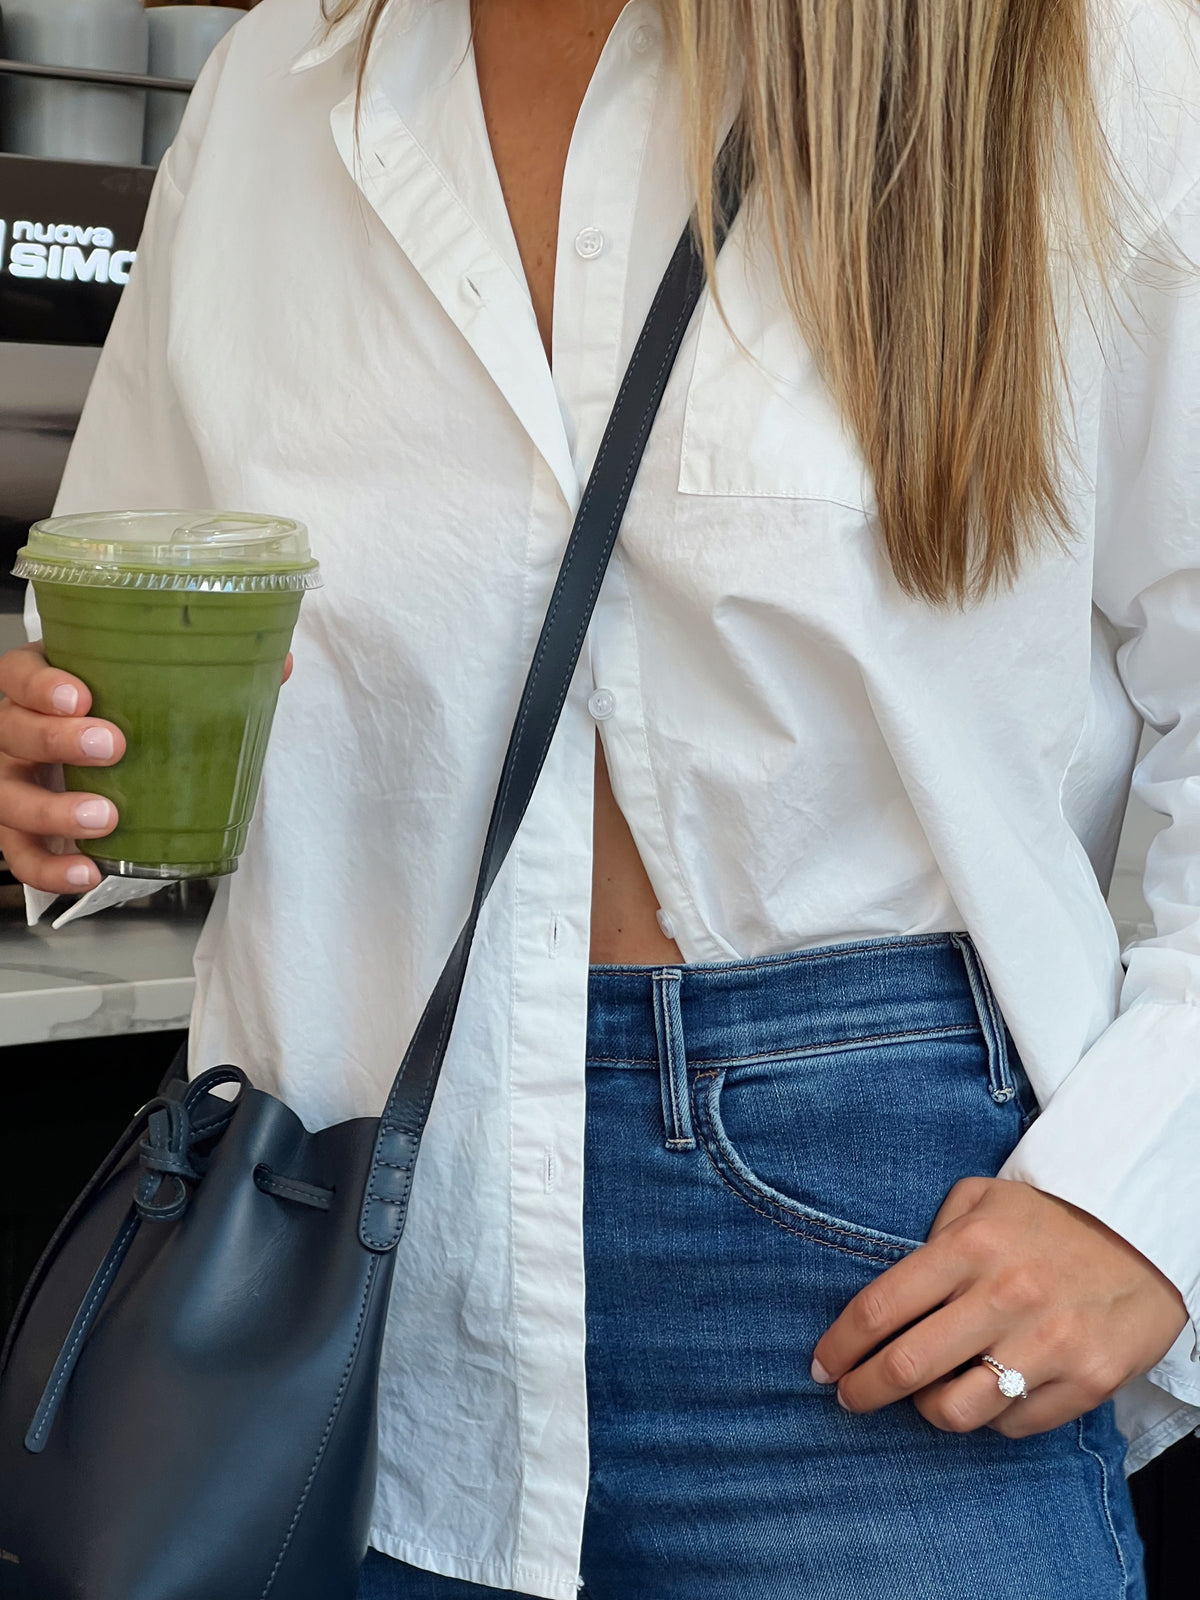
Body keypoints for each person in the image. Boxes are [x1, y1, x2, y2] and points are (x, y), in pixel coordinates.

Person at [1, 0, 1198, 1594]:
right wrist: (54, 773)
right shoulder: (275, 92)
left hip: (880, 1263)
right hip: (331, 1251)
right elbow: (125, 593)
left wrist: (1147, 1199)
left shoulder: (1072, 62)